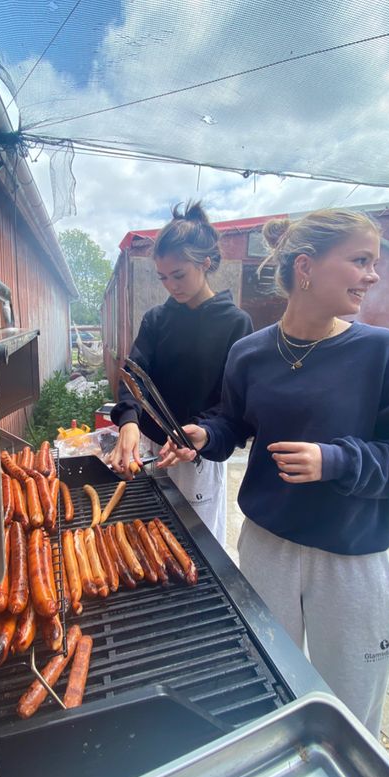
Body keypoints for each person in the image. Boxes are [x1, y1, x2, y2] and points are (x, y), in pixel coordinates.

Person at [159, 208, 389, 736]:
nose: (372, 275)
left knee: (349, 713)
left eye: (372, 263)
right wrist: (204, 437)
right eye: (360, 261)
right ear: (306, 266)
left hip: (350, 561)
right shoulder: (250, 352)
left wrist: (336, 460)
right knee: (269, 691)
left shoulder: (381, 351)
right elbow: (232, 423)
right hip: (267, 550)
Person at [110, 201, 253, 546]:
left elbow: (233, 402)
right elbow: (134, 374)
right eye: (163, 277)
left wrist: (201, 433)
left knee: (196, 547)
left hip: (197, 453)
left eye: (179, 275)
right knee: (147, 537)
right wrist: (129, 420)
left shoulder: (235, 323)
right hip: (150, 446)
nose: (171, 286)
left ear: (205, 263)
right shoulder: (157, 319)